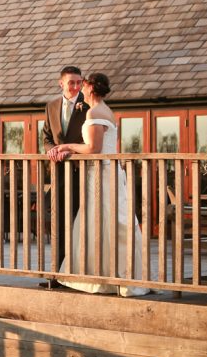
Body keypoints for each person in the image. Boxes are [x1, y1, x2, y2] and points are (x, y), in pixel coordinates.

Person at [48, 73, 149, 297]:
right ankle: (108, 273)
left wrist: (67, 146)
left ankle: (102, 275)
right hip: (107, 172)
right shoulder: (106, 110)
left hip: (102, 174)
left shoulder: (95, 112)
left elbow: (93, 148)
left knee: (100, 221)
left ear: (91, 87)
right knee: (106, 222)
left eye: (83, 84)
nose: (80, 88)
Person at [41, 65, 86, 287]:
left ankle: (75, 273)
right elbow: (47, 136)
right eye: (72, 82)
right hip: (58, 174)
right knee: (58, 221)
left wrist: (72, 150)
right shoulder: (51, 106)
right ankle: (55, 274)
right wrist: (51, 149)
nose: (76, 86)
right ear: (61, 83)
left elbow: (91, 143)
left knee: (77, 222)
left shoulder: (89, 105)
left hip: (82, 174)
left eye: (79, 82)